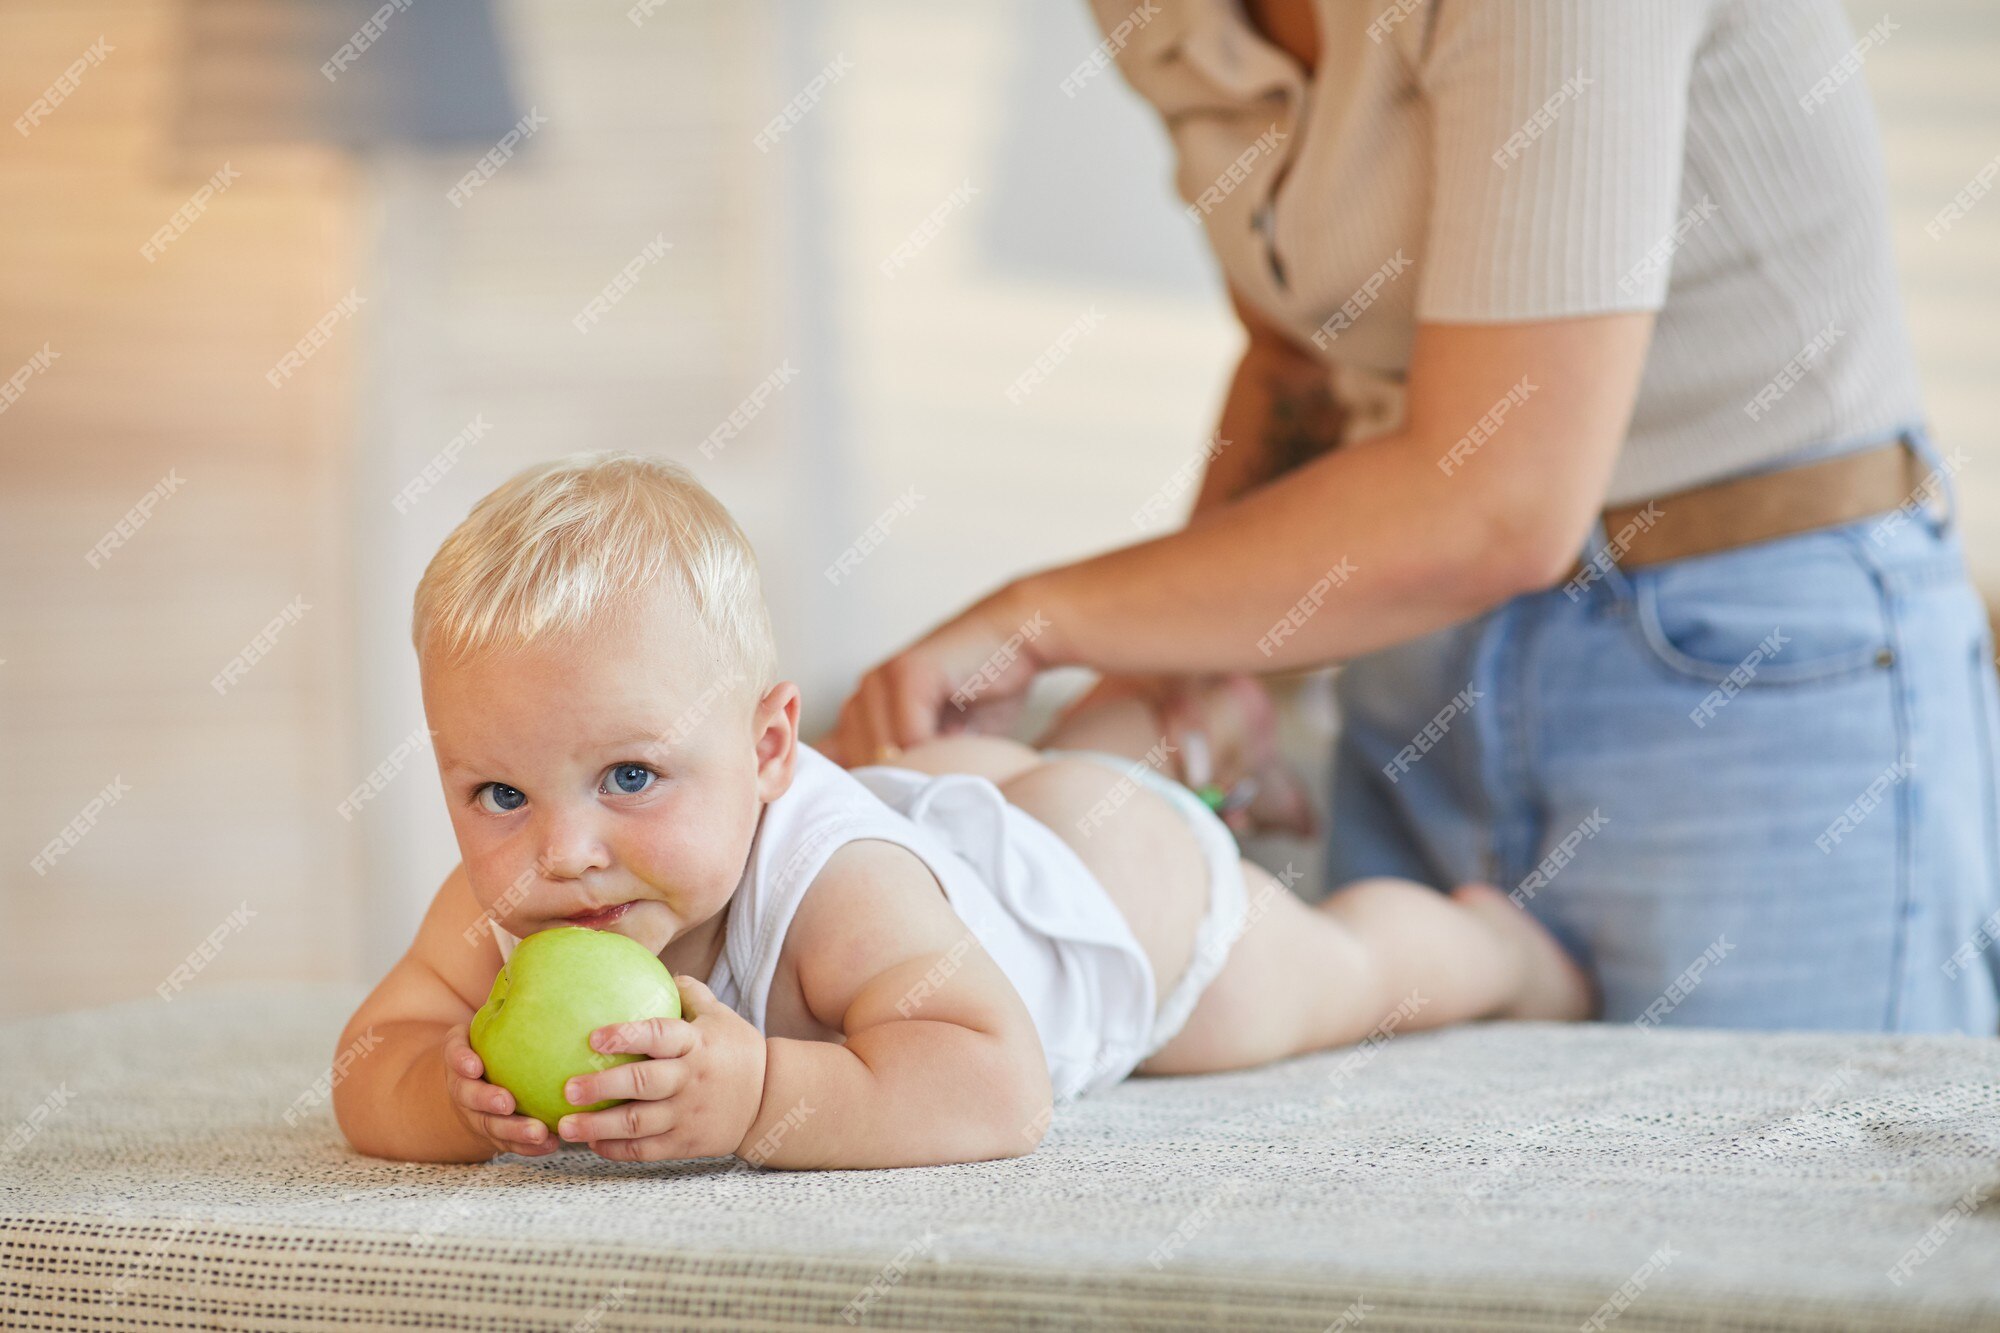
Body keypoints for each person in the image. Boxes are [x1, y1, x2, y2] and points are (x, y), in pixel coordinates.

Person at [821, 0, 2000, 1034]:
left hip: (1751, 672)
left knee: (1787, 1244)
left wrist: (1045, 620)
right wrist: (1182, 663)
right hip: (1413, 657)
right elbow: (1298, 365)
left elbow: (1501, 503)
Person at [331, 453, 1592, 1167]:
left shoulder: (833, 895)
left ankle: (1490, 944)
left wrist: (763, 1094)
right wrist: (443, 1099)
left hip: (1115, 903)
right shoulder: (515, 905)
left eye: (629, 777)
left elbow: (1000, 1086)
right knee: (1015, 792)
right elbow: (366, 1058)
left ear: (772, 745)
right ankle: (1183, 722)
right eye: (497, 792)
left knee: (1332, 978)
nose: (562, 850)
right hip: (960, 818)